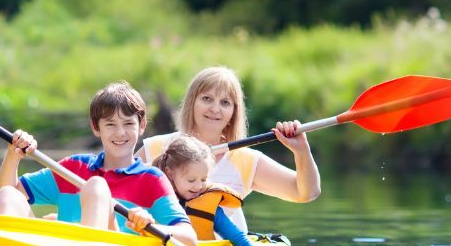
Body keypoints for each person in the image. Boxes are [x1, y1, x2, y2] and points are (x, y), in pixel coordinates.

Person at [0, 81, 197, 246]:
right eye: (110, 124)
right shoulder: (74, 167)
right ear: (95, 127)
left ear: (141, 126)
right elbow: (3, 197)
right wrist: (13, 154)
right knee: (9, 194)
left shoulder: (152, 179)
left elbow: (190, 238)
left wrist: (150, 226)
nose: (120, 133)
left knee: (96, 187)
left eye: (128, 124)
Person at [136, 66, 321, 232]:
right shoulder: (157, 147)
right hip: (162, 245)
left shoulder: (246, 160)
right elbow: (114, 183)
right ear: (192, 103)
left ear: (234, 112)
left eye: (225, 102)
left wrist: (301, 150)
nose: (215, 109)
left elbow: (306, 192)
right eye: (207, 98)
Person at [153, 135, 270, 246]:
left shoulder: (209, 206)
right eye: (191, 180)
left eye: (203, 179)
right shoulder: (154, 198)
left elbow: (238, 238)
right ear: (170, 173)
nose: (198, 186)